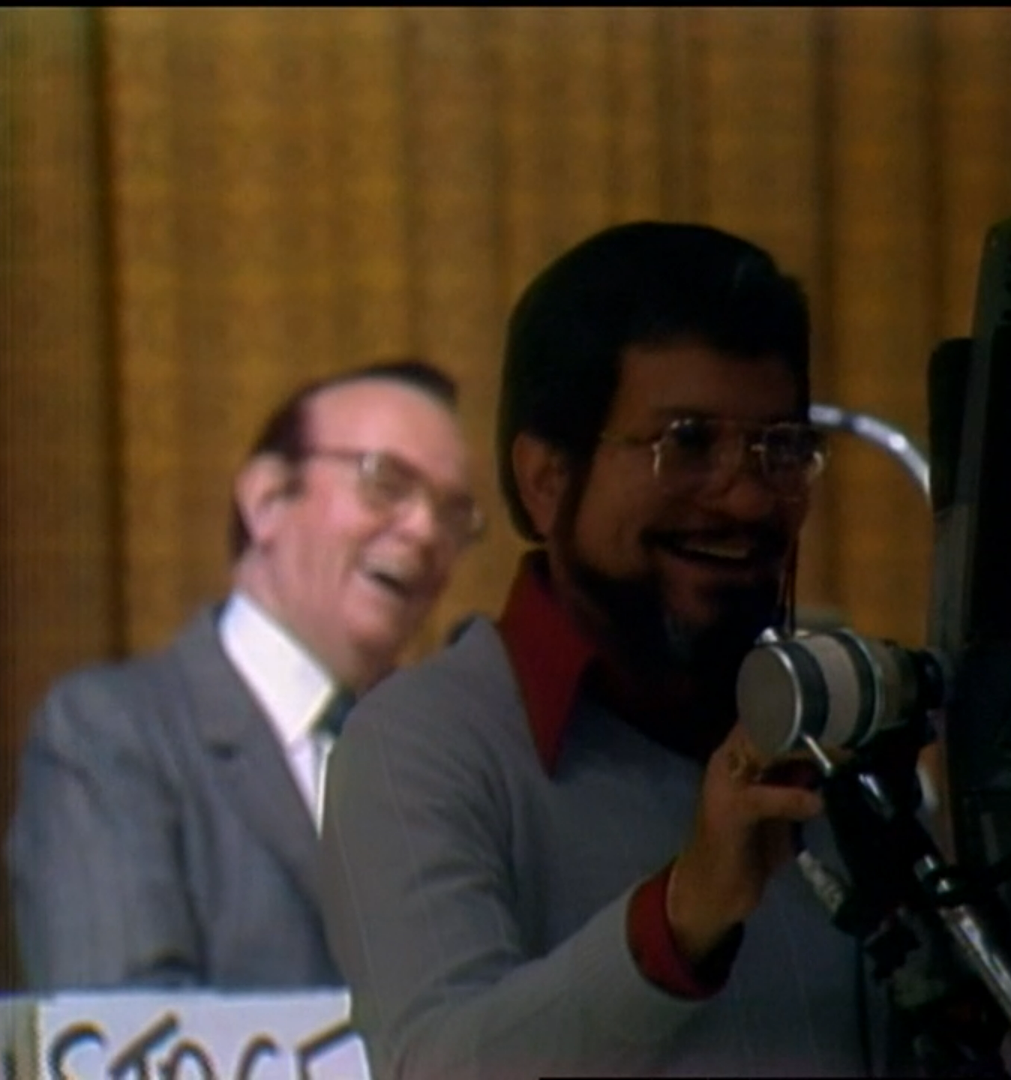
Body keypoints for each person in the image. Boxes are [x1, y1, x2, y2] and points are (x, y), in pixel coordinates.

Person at [319, 223, 886, 1079]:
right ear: (547, 478)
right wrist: (683, 915)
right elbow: (436, 1065)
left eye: (780, 450)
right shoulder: (419, 746)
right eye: (688, 444)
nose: (743, 498)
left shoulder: (831, 729)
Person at [6, 357, 484, 991]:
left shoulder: (447, 757)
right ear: (265, 499)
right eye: (385, 482)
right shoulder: (113, 733)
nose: (425, 531)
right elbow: (125, 1034)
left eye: (453, 514)